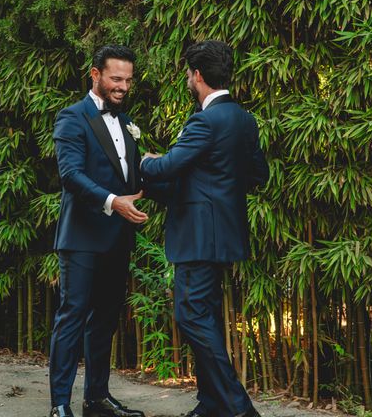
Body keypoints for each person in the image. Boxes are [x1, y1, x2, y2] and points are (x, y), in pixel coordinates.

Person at [140, 40, 269, 417]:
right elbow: (258, 174)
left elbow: (166, 168)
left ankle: (238, 407)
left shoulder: (206, 120)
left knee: (190, 316)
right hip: (223, 233)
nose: (186, 79)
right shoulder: (244, 118)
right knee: (205, 315)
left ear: (197, 75)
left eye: (186, 73)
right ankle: (212, 402)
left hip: (199, 236)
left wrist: (146, 159)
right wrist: (217, 189)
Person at [50, 45, 148, 417]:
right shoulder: (71, 118)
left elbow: (131, 174)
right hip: (81, 237)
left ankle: (97, 399)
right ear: (95, 75)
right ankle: (60, 404)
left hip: (118, 237)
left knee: (105, 319)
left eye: (128, 80)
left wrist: (155, 169)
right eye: (116, 78)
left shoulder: (127, 122)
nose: (123, 86)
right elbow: (71, 175)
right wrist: (113, 201)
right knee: (71, 317)